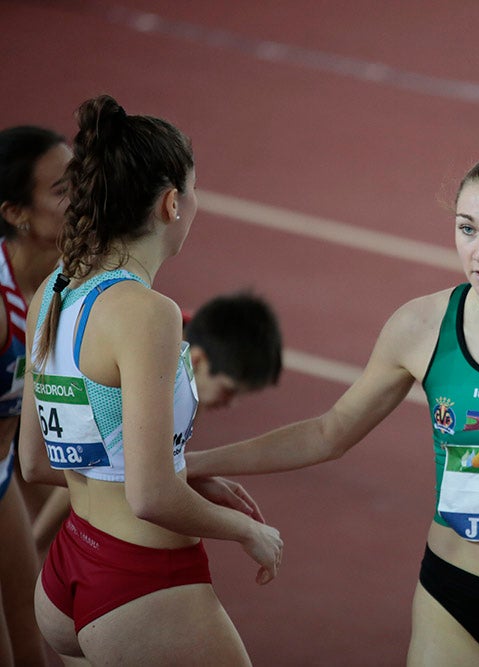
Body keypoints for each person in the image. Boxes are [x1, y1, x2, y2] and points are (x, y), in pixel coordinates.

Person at [186, 148, 479, 665]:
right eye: (467, 228)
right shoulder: (420, 327)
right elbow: (328, 433)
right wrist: (190, 465)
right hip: (454, 601)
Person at [17, 95, 283, 665]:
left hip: (68, 572)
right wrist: (244, 530)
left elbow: (38, 463)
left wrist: (175, 477)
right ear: (170, 203)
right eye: (194, 191)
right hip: (139, 583)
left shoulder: (54, 290)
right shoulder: (147, 313)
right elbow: (151, 496)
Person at [30, 290, 286, 557]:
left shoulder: (191, 352)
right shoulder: (159, 369)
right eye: (229, 390)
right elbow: (95, 466)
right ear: (198, 361)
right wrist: (35, 542)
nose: (230, 404)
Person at [0, 125, 71, 666]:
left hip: (1, 477)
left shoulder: (69, 285)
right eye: (62, 190)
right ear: (16, 213)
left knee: (31, 645)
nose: (81, 199)